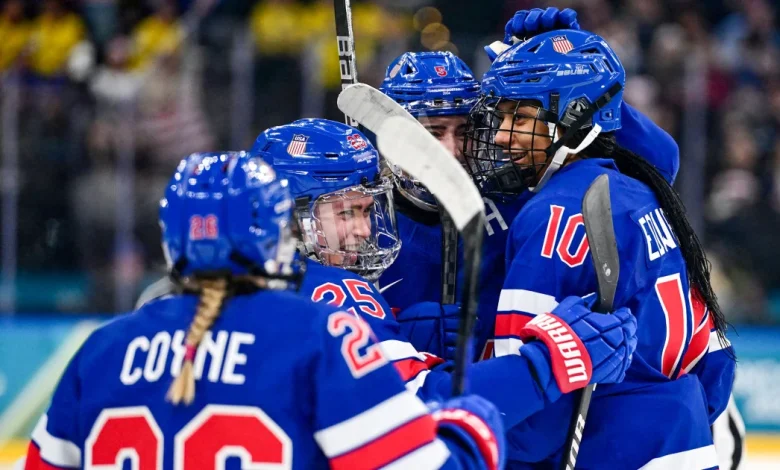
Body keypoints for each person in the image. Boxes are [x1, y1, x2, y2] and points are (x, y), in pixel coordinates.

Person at [23, 151, 506, 470]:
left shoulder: (101, 351)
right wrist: (472, 426)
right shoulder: (321, 334)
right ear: (277, 234)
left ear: (174, 243)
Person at [463, 26, 736, 468]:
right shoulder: (646, 195)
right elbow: (716, 362)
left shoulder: (554, 214)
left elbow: (531, 418)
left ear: (571, 118)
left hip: (604, 451)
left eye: (520, 118)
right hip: (684, 444)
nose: (499, 135)